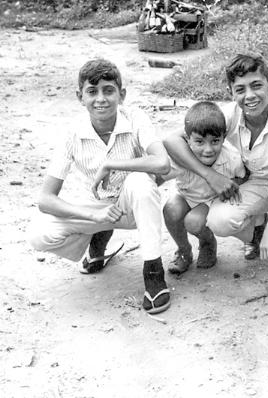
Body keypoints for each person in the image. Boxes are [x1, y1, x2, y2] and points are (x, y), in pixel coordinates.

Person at [28, 58, 172, 314]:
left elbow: (162, 163)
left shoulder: (135, 117)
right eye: (92, 92)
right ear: (80, 97)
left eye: (109, 90)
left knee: (140, 182)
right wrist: (94, 215)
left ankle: (153, 273)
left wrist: (113, 164)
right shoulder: (72, 133)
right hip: (98, 208)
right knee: (39, 234)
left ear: (122, 94)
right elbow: (45, 199)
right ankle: (97, 240)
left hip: (133, 206)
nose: (101, 99)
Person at [164, 54, 268, 295]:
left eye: (257, 85)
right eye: (240, 89)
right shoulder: (231, 114)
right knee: (218, 220)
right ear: (231, 92)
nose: (250, 96)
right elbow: (172, 140)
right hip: (253, 183)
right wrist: (209, 175)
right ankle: (256, 231)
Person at [160, 101, 246, 275]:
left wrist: (230, 189)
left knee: (193, 221)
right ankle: (183, 250)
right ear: (187, 139)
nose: (208, 149)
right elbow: (159, 176)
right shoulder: (181, 157)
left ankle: (207, 242)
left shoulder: (231, 158)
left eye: (215, 141)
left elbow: (243, 176)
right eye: (199, 142)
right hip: (186, 195)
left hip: (209, 200)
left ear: (224, 137)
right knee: (171, 209)